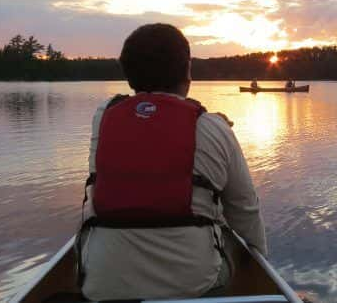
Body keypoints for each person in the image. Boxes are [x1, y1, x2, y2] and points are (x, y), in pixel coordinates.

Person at [79, 23, 266, 300]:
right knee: (226, 225)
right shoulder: (214, 128)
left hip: (102, 284)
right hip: (196, 284)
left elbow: (149, 124)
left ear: (129, 76)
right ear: (187, 71)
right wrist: (262, 270)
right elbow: (245, 211)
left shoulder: (103, 118)